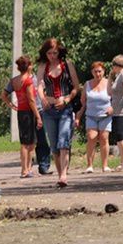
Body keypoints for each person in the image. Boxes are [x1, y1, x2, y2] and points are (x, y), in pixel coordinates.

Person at [36, 38, 80, 187]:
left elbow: (76, 87)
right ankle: (60, 174)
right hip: (49, 109)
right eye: (49, 53)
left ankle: (63, 176)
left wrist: (67, 100)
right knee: (54, 145)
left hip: (65, 108)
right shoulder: (43, 66)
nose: (52, 56)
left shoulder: (67, 65)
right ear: (45, 53)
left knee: (63, 142)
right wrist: (42, 99)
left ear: (59, 52)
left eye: (55, 53)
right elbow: (39, 86)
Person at [0, 55, 44, 178]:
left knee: (27, 142)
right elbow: (31, 100)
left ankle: (27, 169)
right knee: (29, 143)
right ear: (29, 66)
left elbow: (3, 95)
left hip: (21, 112)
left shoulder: (14, 81)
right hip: (29, 112)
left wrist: (11, 105)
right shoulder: (28, 81)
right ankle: (25, 170)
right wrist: (38, 116)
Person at [75, 61, 113, 173]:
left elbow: (117, 99)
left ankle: (105, 165)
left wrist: (113, 108)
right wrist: (78, 117)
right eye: (95, 71)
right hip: (91, 116)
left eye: (100, 71)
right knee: (91, 138)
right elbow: (83, 103)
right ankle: (89, 165)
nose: (98, 74)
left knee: (104, 138)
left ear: (104, 71)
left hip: (105, 116)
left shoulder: (109, 83)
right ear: (92, 72)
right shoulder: (87, 84)